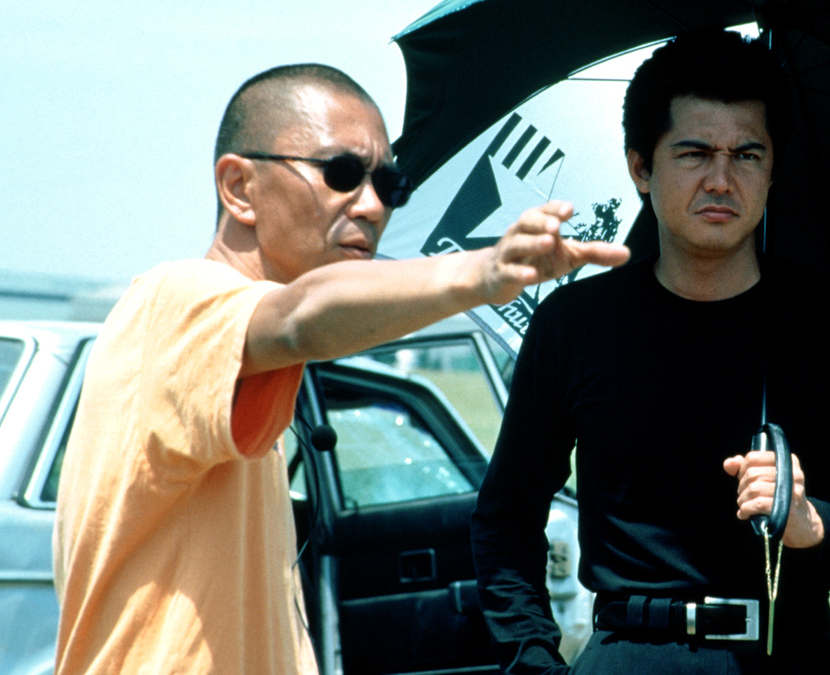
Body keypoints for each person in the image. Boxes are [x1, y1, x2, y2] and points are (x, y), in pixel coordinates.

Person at [52, 63, 630, 675]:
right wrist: (483, 272)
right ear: (238, 187)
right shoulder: (175, 300)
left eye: (390, 184)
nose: (373, 206)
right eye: (342, 174)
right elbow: (302, 317)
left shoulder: (241, 363)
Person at [471, 30, 830, 674]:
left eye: (747, 155)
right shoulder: (575, 323)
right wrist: (532, 660)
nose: (721, 180)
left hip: (790, 652)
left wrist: (813, 523)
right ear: (642, 168)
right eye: (694, 153)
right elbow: (506, 518)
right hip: (630, 654)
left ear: (773, 169)